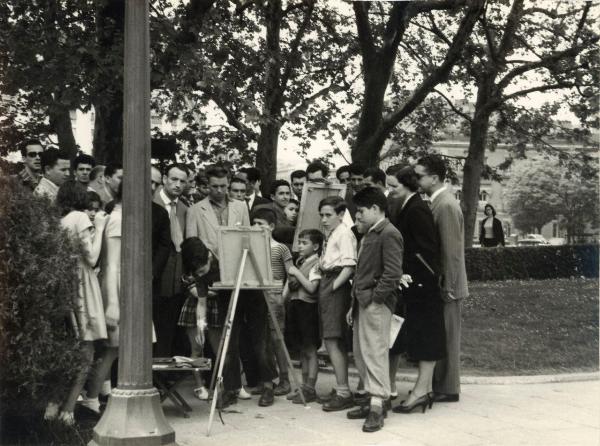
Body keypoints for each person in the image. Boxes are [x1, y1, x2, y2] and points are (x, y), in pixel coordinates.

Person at [46, 180, 108, 425]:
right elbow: (91, 257)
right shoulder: (80, 218)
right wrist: (100, 227)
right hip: (82, 282)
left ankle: (53, 406)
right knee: (86, 350)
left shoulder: (60, 220)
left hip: (66, 281)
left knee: (69, 348)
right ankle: (69, 411)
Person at [387, 166, 446, 415]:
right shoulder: (408, 205)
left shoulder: (416, 209)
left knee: (426, 336)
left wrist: (409, 273)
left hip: (422, 284)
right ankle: (422, 390)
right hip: (415, 283)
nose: (390, 192)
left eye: (394, 187)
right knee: (420, 336)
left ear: (408, 185)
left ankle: (421, 391)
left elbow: (426, 250)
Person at [344, 187, 403, 432]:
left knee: (376, 354)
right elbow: (361, 273)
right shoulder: (370, 232)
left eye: (361, 211)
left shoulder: (389, 233)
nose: (357, 216)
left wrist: (375, 299)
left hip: (375, 305)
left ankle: (378, 406)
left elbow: (392, 273)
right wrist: (354, 304)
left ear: (376, 209)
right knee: (362, 353)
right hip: (362, 303)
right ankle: (372, 399)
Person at [415, 155, 468, 404]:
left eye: (420, 176)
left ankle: (448, 388)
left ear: (434, 178)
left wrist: (448, 285)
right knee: (441, 334)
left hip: (450, 286)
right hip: (445, 283)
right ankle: (441, 385)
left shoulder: (445, 205)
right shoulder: (438, 202)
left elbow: (452, 251)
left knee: (447, 336)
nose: (417, 180)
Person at [317, 196, 356, 411]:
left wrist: (332, 288)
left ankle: (343, 391)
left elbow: (349, 266)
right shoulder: (332, 233)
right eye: (321, 215)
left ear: (341, 215)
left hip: (335, 286)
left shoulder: (344, 233)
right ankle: (342, 387)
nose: (323, 219)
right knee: (331, 339)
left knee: (333, 339)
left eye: (328, 215)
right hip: (328, 281)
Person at [252, 208, 294, 397]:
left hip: (275, 296)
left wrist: (282, 297)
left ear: (271, 226)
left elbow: (290, 275)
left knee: (277, 339)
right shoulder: (252, 248)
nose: (256, 227)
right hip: (257, 297)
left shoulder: (280, 248)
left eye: (260, 224)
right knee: (262, 341)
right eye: (254, 223)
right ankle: (267, 378)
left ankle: (285, 379)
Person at [153, 163, 189, 357]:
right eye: (174, 179)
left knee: (169, 329)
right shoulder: (151, 202)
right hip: (155, 277)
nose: (177, 185)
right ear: (164, 179)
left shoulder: (184, 208)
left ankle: (165, 373)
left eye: (182, 181)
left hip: (176, 280)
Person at [283, 229, 323, 404]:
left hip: (308, 308)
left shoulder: (316, 264)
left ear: (315, 247)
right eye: (299, 242)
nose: (300, 245)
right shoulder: (301, 261)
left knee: (310, 348)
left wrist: (297, 273)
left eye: (304, 243)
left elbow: (312, 288)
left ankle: (310, 388)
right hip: (297, 306)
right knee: (302, 349)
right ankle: (303, 386)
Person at [179, 237, 214, 400]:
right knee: (196, 348)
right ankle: (199, 385)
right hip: (195, 307)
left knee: (218, 346)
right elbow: (200, 299)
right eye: (197, 273)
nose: (200, 274)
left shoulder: (218, 259)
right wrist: (201, 326)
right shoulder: (191, 269)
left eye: (201, 270)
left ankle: (223, 383)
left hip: (215, 306)